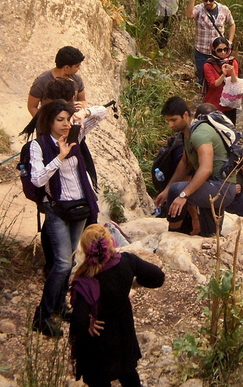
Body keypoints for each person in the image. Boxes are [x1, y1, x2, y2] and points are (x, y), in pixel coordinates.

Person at [30, 100, 99, 337]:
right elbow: (37, 180)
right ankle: (42, 316)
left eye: (67, 120)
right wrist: (60, 157)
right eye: (60, 120)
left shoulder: (75, 136)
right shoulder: (38, 146)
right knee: (60, 263)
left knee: (70, 262)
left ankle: (60, 306)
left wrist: (84, 112)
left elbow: (102, 114)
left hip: (79, 207)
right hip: (57, 209)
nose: (65, 124)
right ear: (49, 121)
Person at [70, 224, 165, 387]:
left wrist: (88, 324)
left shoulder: (86, 281)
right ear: (110, 242)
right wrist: (135, 283)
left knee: (99, 380)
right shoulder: (126, 261)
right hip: (123, 333)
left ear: (86, 249)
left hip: (98, 343)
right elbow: (158, 277)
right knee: (129, 374)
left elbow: (78, 321)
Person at [154, 104, 236, 237]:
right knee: (210, 235)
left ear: (186, 115)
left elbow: (206, 168)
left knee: (177, 191)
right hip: (212, 185)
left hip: (221, 187)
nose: (170, 125)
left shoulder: (200, 134)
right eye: (168, 121)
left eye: (173, 120)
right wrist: (166, 190)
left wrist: (183, 195)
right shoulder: (187, 134)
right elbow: (185, 164)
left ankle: (172, 237)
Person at [185, 0, 236, 85]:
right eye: (205, 0)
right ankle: (204, 98)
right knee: (203, 79)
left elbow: (232, 24)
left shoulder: (224, 9)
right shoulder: (199, 9)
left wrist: (230, 41)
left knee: (220, 79)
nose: (208, 2)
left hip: (219, 53)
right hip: (202, 52)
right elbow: (189, 15)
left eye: (211, 0)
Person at [28, 46, 86, 116]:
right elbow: (32, 107)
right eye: (77, 66)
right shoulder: (42, 81)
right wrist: (43, 122)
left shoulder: (77, 79)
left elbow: (83, 100)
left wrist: (83, 105)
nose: (79, 68)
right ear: (67, 67)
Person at [203, 37, 240, 125]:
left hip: (229, 102)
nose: (223, 52)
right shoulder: (208, 65)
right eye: (219, 50)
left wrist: (232, 72)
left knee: (230, 130)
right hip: (214, 104)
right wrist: (223, 74)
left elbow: (235, 82)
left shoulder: (232, 62)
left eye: (225, 49)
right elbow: (213, 85)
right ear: (214, 50)